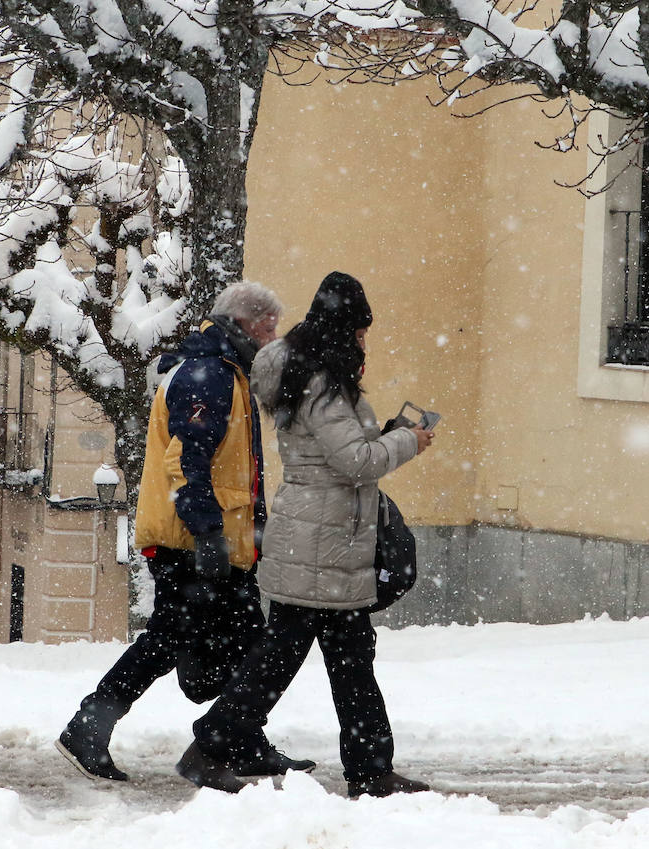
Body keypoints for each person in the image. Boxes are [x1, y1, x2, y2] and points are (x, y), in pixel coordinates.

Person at [175, 271, 435, 798]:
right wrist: (408, 440)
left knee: (335, 657)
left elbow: (335, 453)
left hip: (322, 536)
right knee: (309, 659)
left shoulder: (308, 374)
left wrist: (382, 435)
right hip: (323, 539)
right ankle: (215, 747)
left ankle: (366, 768)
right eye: (360, 332)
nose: (364, 341)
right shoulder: (321, 383)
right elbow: (354, 462)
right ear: (342, 330)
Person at [56, 281, 315, 782]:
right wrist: (208, 535)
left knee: (247, 641)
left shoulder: (227, 371)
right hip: (189, 540)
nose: (273, 336)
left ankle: (238, 739)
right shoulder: (208, 375)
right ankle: (90, 725)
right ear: (241, 325)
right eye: (267, 327)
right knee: (170, 638)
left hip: (213, 540)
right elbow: (187, 460)